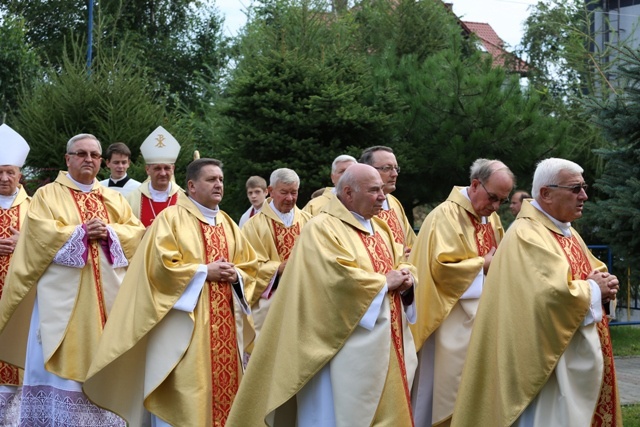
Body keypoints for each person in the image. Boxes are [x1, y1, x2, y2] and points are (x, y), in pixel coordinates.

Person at [227, 163, 418, 426]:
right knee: (335, 414)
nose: (382, 197)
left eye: (382, 190)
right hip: (338, 345)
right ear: (349, 193)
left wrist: (408, 278)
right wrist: (383, 283)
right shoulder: (322, 227)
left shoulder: (381, 228)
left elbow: (401, 262)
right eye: (374, 190)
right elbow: (334, 280)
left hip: (387, 340)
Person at [84, 158, 258, 427]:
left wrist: (236, 275)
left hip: (225, 330)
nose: (218, 185)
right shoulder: (171, 218)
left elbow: (250, 267)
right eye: (211, 179)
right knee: (185, 397)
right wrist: (203, 272)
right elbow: (159, 268)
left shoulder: (227, 223)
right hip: (185, 331)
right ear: (191, 185)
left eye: (220, 180)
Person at [452, 158, 622, 427]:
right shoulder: (527, 235)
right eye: (575, 188)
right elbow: (547, 296)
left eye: (584, 187)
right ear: (546, 193)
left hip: (572, 351)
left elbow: (592, 268)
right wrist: (593, 289)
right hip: (546, 365)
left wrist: (607, 283)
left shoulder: (565, 231)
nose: (584, 196)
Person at [0, 133, 145, 425]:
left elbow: (137, 233)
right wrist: (80, 232)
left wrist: (110, 232)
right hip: (62, 306)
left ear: (102, 161)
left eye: (94, 154)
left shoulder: (113, 198)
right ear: (68, 159)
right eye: (81, 154)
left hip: (109, 304)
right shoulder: (47, 195)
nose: (88, 159)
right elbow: (39, 235)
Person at [409, 158, 514, 427]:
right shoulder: (444, 215)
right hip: (448, 319)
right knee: (445, 390)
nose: (495, 206)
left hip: (482, 316)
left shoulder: (491, 218)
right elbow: (442, 268)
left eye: (502, 200)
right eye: (492, 198)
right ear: (475, 184)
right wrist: (484, 265)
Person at [241, 168, 312, 335]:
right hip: (270, 303)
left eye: (294, 193)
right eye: (284, 192)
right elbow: (247, 267)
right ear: (271, 192)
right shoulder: (253, 226)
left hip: (306, 300)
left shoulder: (309, 222)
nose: (290, 198)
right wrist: (278, 269)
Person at [0, 124, 31, 419]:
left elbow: (53, 247)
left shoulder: (36, 210)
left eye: (10, 172)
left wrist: (28, 243)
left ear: (20, 175)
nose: (5, 178)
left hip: (21, 302)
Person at [126, 126, 187, 227]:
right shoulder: (132, 199)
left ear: (173, 169)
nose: (163, 173)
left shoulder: (184, 199)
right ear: (147, 170)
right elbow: (125, 230)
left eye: (167, 168)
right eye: (157, 168)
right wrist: (142, 233)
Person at [359, 146, 416, 252]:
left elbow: (410, 241)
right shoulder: (358, 205)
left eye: (396, 168)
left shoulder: (394, 202)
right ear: (368, 170)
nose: (395, 174)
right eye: (387, 168)